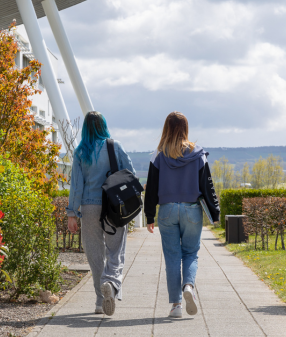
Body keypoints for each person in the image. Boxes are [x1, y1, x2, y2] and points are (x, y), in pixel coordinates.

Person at [144, 111, 220, 318]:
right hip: (192, 210)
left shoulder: (158, 155)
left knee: (171, 257)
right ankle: (188, 286)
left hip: (167, 210)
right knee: (190, 253)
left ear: (166, 129)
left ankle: (176, 305)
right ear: (186, 128)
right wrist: (215, 212)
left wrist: (149, 216)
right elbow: (207, 185)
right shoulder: (198, 154)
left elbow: (151, 187)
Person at [66, 111, 136, 316]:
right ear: (103, 125)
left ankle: (99, 301)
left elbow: (76, 186)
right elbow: (130, 173)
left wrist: (72, 212)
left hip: (89, 207)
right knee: (115, 250)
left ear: (85, 129)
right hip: (113, 205)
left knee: (95, 254)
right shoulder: (115, 146)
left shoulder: (80, 152)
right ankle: (111, 284)